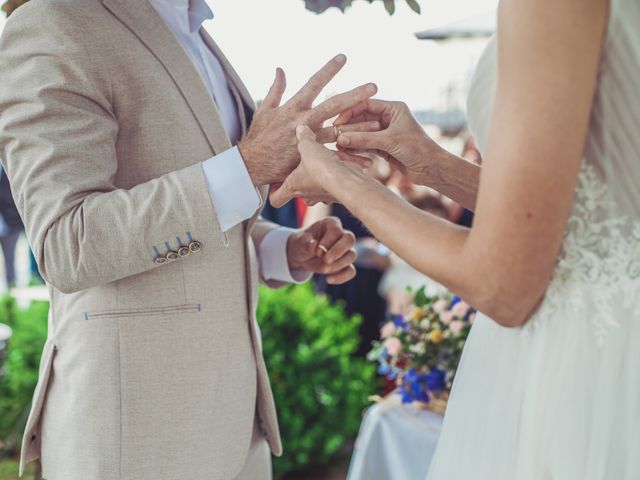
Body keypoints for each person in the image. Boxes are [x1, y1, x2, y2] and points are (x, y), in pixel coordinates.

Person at [0, 0, 378, 479]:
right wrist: (247, 166)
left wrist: (283, 249)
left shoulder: (194, 30)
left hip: (238, 428)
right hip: (134, 438)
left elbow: (208, 215)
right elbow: (69, 242)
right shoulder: (53, 22)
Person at [271, 0, 640, 478]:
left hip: (584, 356)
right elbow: (589, 214)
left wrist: (343, 181)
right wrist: (431, 165)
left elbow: (502, 287)